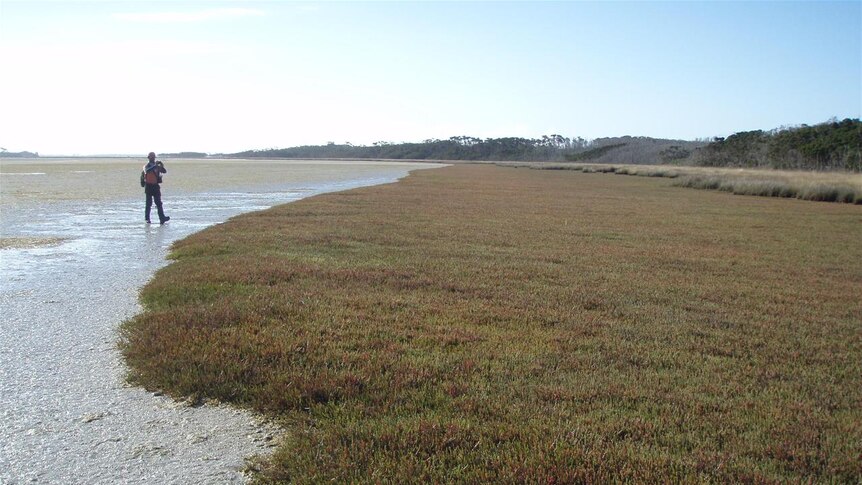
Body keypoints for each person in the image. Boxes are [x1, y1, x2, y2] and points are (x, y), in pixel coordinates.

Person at [143, 152, 170, 224]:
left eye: (154, 157)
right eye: (151, 157)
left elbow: (164, 171)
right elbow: (147, 171)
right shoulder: (146, 166)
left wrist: (161, 165)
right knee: (148, 203)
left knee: (159, 203)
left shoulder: (157, 166)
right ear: (148, 157)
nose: (153, 158)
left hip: (155, 186)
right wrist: (155, 165)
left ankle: (162, 218)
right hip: (148, 186)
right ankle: (147, 218)